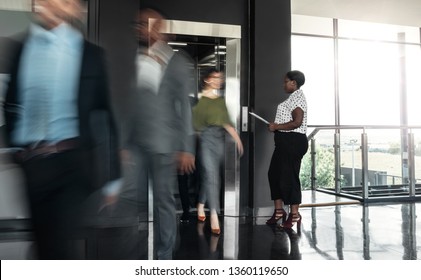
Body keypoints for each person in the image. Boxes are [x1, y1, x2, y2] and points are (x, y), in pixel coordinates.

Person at [2, 0, 120, 259]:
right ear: (36, 5)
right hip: (33, 163)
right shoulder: (20, 49)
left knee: (60, 245)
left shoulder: (90, 54)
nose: (54, 4)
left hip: (72, 161)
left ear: (75, 8)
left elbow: (105, 115)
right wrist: (16, 148)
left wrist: (113, 178)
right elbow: (11, 102)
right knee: (44, 242)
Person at [119, 8, 195, 259]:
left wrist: (186, 148)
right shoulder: (136, 59)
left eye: (147, 23)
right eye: (139, 23)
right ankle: (134, 256)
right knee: (130, 198)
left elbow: (184, 107)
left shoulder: (177, 61)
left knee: (163, 201)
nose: (141, 27)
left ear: (160, 28)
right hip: (138, 145)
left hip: (165, 146)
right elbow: (134, 107)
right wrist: (126, 143)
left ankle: (164, 257)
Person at [193, 68, 243, 235]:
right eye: (215, 77)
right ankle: (214, 214)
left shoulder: (220, 101)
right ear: (207, 79)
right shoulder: (199, 101)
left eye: (220, 78)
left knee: (211, 176)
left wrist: (237, 140)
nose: (218, 80)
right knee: (212, 176)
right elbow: (196, 128)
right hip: (206, 140)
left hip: (219, 140)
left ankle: (200, 204)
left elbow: (227, 123)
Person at [266, 70, 308, 231]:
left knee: (289, 177)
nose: (284, 84)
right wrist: (276, 127)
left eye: (286, 81)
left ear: (294, 83)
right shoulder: (292, 98)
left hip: (293, 142)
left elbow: (297, 122)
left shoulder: (298, 97)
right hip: (284, 143)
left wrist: (276, 126)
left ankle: (295, 214)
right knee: (274, 174)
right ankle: (279, 211)